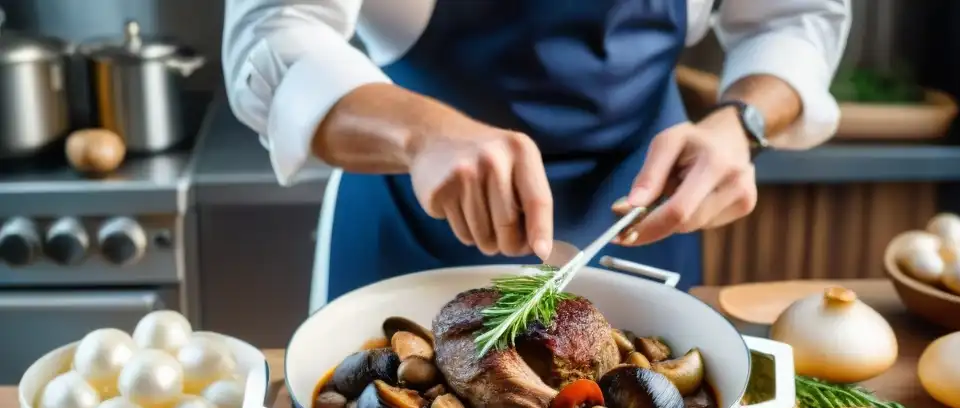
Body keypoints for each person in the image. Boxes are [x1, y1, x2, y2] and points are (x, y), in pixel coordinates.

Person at [223, 0, 851, 310]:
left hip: (640, 213)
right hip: (414, 219)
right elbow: (272, 36)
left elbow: (796, 15)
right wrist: (422, 133)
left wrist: (742, 124)